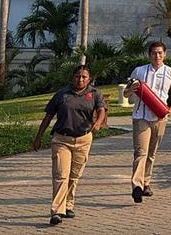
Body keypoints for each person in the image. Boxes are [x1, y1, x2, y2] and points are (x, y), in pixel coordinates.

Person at [32, 64, 107, 226]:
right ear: (71, 78)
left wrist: (98, 123)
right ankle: (57, 211)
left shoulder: (94, 94)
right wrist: (38, 137)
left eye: (84, 77)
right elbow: (47, 117)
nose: (80, 79)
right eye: (77, 76)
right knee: (61, 175)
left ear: (89, 79)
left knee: (74, 175)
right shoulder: (61, 94)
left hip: (83, 139)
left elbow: (101, 110)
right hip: (61, 140)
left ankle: (68, 204)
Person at [123, 41, 171, 204]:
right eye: (154, 53)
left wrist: (170, 110)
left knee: (151, 153)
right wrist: (129, 90)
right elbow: (127, 93)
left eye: (160, 53)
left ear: (165, 54)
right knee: (140, 152)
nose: (157, 56)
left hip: (160, 117)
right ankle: (136, 186)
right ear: (149, 55)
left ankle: (146, 182)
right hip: (141, 116)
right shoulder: (139, 71)